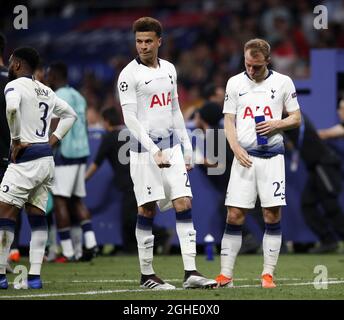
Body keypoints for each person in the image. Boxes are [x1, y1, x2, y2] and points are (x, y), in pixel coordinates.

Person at [117, 17, 217, 290]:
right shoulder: (128, 75)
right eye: (139, 41)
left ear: (160, 41)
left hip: (171, 148)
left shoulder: (170, 69)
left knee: (184, 203)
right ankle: (147, 275)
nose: (143, 46)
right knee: (147, 209)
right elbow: (130, 119)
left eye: (149, 41)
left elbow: (175, 111)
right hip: (142, 151)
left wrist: (187, 149)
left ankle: (191, 273)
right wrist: (153, 151)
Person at [215, 38, 301, 289]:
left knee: (271, 214)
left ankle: (267, 275)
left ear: (268, 61)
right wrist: (235, 148)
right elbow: (229, 121)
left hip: (272, 158)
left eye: (257, 66)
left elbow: (296, 117)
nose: (251, 70)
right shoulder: (234, 83)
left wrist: (277, 123)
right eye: (247, 65)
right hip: (244, 158)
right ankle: (225, 275)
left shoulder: (283, 82)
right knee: (234, 214)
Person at [0, 47, 77, 289]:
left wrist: (15, 140)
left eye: (12, 62)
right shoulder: (46, 90)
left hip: (25, 159)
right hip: (46, 159)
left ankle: (1, 275)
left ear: (19, 65)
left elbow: (12, 109)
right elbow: (70, 115)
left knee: (4, 214)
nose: (10, 66)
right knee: (37, 216)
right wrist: (53, 140)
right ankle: (34, 277)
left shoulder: (13, 86)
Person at [46, 62, 98, 262]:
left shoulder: (58, 96)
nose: (47, 78)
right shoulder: (78, 96)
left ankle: (67, 251)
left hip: (65, 154)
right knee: (76, 200)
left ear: (55, 75)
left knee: (60, 200)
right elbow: (83, 125)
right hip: (81, 152)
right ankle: (91, 243)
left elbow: (54, 125)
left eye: (49, 74)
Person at [284, 111, 344, 253]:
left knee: (330, 206)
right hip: (315, 168)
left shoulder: (293, 117)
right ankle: (328, 241)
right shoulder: (289, 120)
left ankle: (331, 240)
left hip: (323, 165)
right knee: (308, 205)